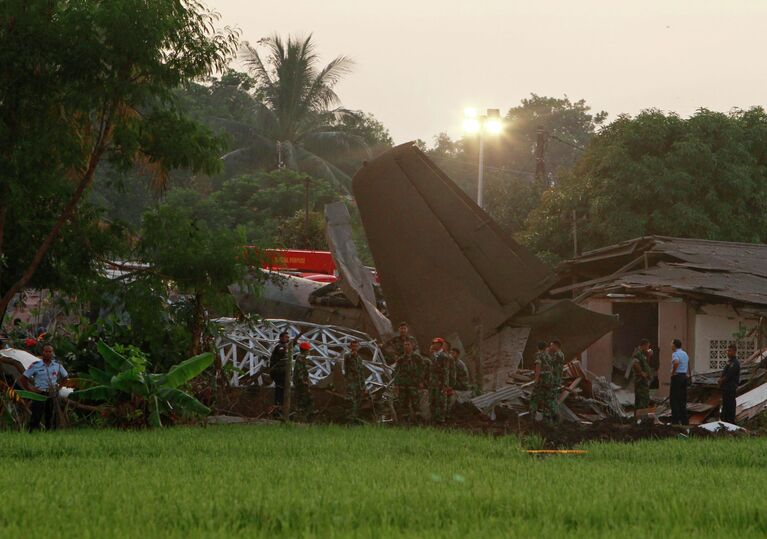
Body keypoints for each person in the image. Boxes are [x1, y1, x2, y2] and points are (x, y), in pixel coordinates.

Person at [22, 344, 68, 431]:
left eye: (49, 352)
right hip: (39, 394)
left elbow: (65, 376)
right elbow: (23, 378)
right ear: (42, 352)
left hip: (52, 394)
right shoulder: (36, 365)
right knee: (36, 415)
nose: (47, 353)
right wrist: (31, 389)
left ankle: (50, 433)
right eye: (46, 351)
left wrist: (59, 387)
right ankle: (32, 433)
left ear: (52, 353)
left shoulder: (57, 365)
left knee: (51, 415)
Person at [394, 339, 422, 422]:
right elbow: (396, 372)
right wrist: (396, 385)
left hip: (413, 384)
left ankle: (418, 420)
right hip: (403, 385)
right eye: (405, 345)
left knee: (415, 402)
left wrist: (420, 381)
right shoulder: (400, 359)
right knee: (403, 403)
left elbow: (422, 370)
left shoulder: (417, 358)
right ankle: (405, 420)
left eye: (408, 344)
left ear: (412, 346)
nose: (406, 346)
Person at [428, 338, 451, 423]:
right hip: (433, 382)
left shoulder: (443, 356)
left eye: (436, 343)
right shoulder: (434, 355)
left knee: (440, 401)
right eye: (433, 343)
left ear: (440, 345)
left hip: (440, 382)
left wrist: (445, 384)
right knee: (432, 400)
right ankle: (434, 417)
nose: (433, 345)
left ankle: (441, 419)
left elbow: (446, 371)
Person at [344, 340, 366, 421]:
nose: (355, 348)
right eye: (353, 346)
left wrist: (364, 385)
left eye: (356, 346)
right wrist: (352, 354)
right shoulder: (347, 355)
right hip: (351, 382)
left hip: (359, 383)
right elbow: (347, 358)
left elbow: (361, 372)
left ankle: (355, 417)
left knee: (358, 401)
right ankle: (349, 418)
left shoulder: (359, 358)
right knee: (351, 401)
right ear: (350, 347)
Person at [718, 344, 740, 424]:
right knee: (725, 406)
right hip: (726, 388)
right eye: (727, 351)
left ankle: (730, 423)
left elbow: (728, 376)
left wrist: (720, 380)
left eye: (730, 351)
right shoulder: (729, 362)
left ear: (734, 352)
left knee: (730, 406)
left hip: (731, 388)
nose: (728, 352)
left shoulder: (735, 363)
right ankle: (724, 422)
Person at [269, 331, 290, 415]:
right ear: (281, 338)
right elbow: (282, 352)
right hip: (278, 372)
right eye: (286, 337)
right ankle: (278, 408)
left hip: (282, 371)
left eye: (288, 337)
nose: (287, 339)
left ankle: (280, 408)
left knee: (282, 389)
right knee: (279, 389)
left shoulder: (284, 346)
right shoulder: (279, 347)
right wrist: (288, 347)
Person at [669, 338, 690, 425]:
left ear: (674, 345)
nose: (671, 345)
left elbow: (676, 362)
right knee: (682, 400)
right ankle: (685, 421)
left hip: (677, 377)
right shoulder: (685, 353)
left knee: (674, 400)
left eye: (671, 344)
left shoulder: (675, 354)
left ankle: (675, 421)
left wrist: (673, 373)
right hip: (684, 377)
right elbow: (688, 363)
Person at [292, 341, 314, 421]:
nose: (309, 351)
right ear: (305, 350)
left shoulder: (301, 357)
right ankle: (302, 416)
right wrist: (302, 381)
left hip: (302, 382)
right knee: (304, 399)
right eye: (308, 350)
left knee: (305, 398)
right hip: (301, 383)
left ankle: (306, 414)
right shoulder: (300, 358)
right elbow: (299, 370)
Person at [632, 339, 653, 411]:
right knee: (643, 397)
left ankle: (640, 415)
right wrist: (641, 373)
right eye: (647, 346)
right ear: (643, 346)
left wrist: (649, 356)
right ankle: (641, 415)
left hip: (644, 379)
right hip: (640, 379)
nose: (648, 348)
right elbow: (635, 363)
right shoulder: (637, 353)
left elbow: (646, 363)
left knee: (643, 397)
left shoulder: (643, 354)